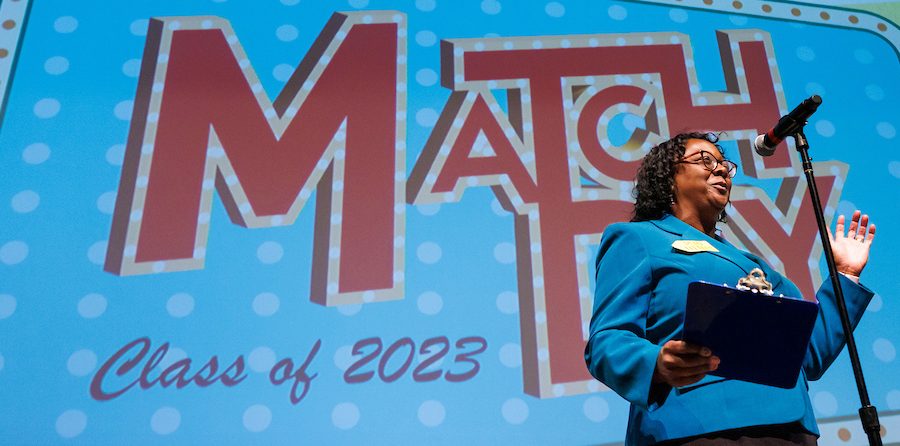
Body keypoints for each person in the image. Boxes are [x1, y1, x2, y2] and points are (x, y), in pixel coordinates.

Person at [584, 132, 877, 445]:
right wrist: (654, 361)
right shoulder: (639, 239)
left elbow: (809, 354)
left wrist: (845, 275)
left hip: (791, 429)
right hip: (699, 426)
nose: (721, 169)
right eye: (705, 160)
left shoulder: (755, 265)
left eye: (724, 164)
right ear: (668, 178)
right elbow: (607, 341)